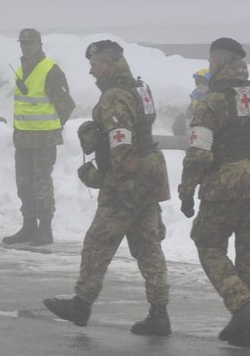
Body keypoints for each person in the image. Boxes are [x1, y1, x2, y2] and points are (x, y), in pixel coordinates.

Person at [43, 40, 170, 335]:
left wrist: (115, 179)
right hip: (149, 176)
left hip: (127, 180)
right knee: (148, 247)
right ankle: (159, 313)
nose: (91, 70)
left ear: (109, 64)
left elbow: (122, 141)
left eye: (95, 63)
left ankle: (81, 305)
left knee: (97, 243)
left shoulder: (114, 96)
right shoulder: (138, 88)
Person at [178, 36, 250, 347]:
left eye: (211, 61)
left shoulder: (211, 102)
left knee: (208, 244)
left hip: (223, 188)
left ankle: (241, 305)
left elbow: (199, 152)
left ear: (219, 62)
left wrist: (187, 189)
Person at [1, 28, 74, 246]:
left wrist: (53, 127)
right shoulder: (22, 69)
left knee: (41, 183)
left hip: (43, 139)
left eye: (31, 43)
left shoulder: (50, 70)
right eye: (23, 43)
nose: (26, 47)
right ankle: (29, 225)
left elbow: (67, 105)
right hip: (23, 138)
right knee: (24, 183)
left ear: (40, 44)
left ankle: (45, 229)